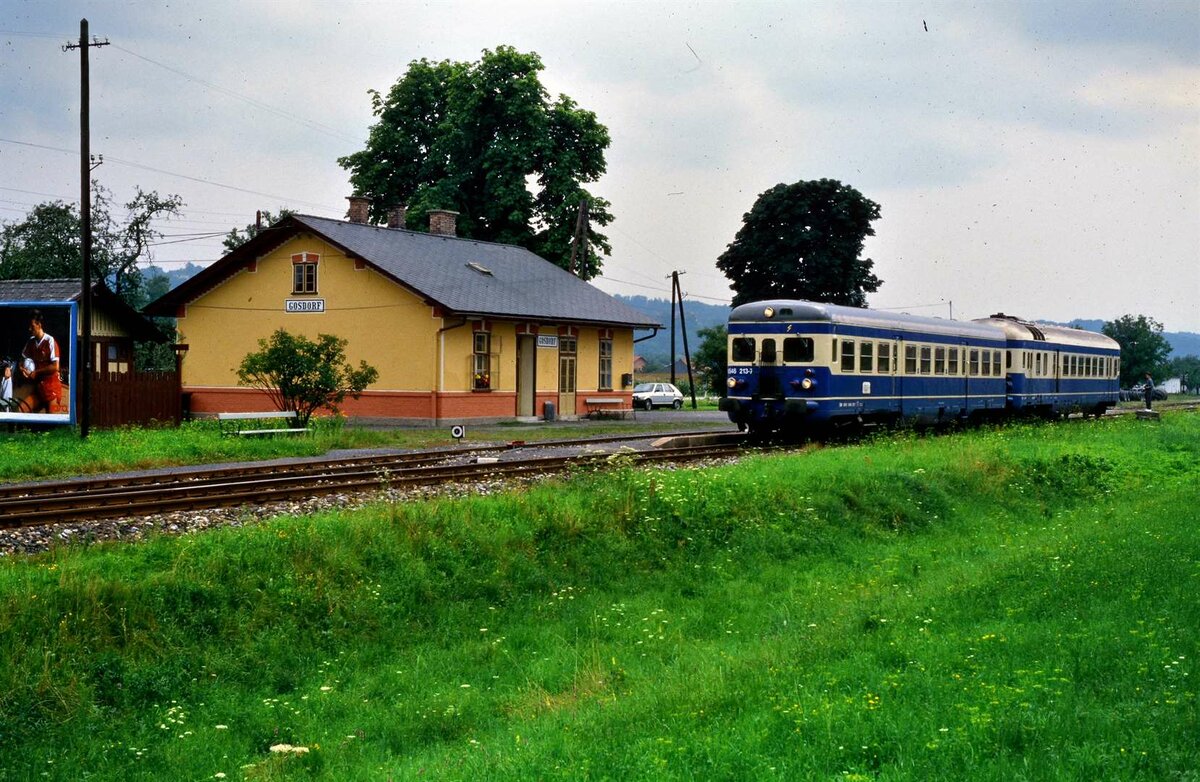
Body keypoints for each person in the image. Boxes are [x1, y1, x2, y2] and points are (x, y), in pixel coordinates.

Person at [20, 310, 64, 413]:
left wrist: (36, 372)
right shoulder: (31, 342)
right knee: (21, 410)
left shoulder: (50, 341)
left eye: (32, 326)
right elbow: (21, 361)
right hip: (39, 389)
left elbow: (55, 367)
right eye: (29, 326)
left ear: (39, 325)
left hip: (52, 388)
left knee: (51, 420)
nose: (29, 329)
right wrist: (23, 370)